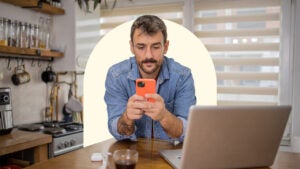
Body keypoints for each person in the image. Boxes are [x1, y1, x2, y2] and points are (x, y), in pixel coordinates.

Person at [104, 15, 196, 142]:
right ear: (132, 47)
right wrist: (127, 117)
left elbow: (187, 132)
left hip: (169, 154)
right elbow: (117, 131)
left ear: (166, 46)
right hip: (132, 155)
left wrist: (164, 115)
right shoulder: (116, 76)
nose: (148, 55)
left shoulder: (182, 76)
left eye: (156, 47)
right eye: (141, 47)